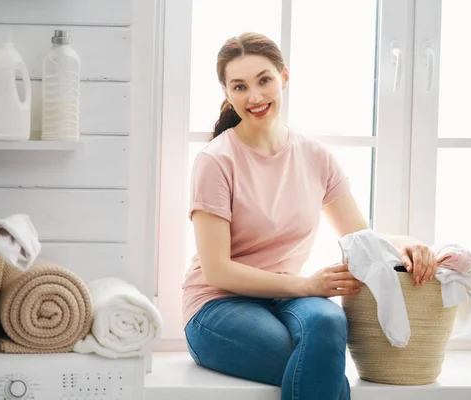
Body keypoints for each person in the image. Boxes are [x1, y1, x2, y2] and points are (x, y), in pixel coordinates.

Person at [181, 32, 438, 400]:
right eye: (239, 86)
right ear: (226, 93)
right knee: (322, 366)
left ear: (284, 77)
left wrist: (410, 244)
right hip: (218, 305)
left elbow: (359, 235)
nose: (254, 97)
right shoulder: (215, 161)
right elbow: (217, 270)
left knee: (331, 323)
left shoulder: (315, 156)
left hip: (284, 297)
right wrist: (307, 285)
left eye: (264, 80)